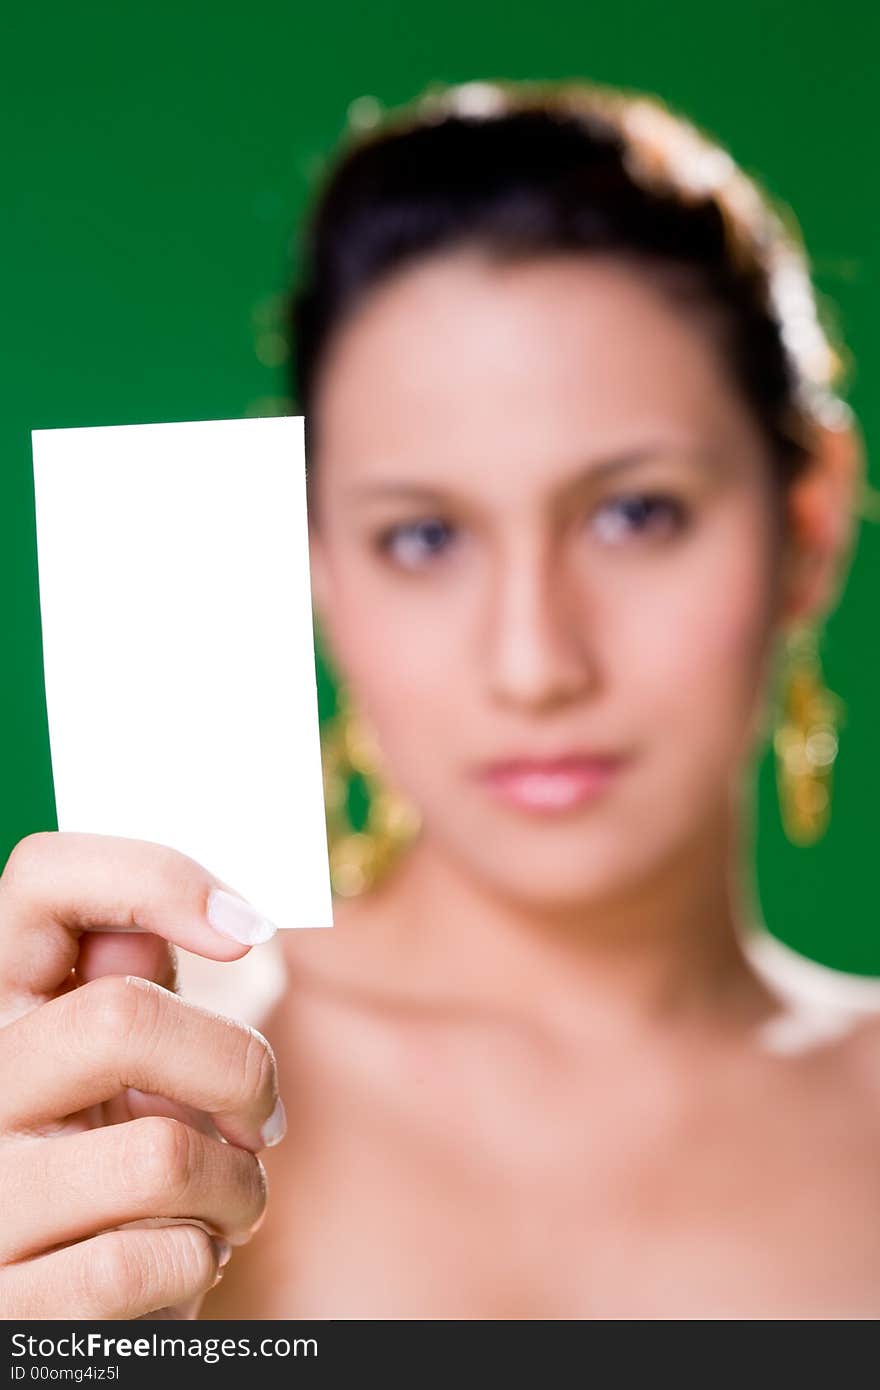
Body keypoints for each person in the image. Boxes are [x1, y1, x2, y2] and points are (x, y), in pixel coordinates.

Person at [1, 77, 878, 1321]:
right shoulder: (116, 1101)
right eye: (421, 536)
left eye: (635, 514)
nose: (534, 662)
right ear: (316, 563)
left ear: (808, 520)